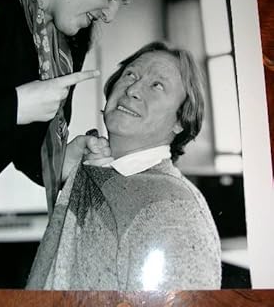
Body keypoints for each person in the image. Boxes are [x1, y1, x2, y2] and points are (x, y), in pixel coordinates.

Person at [0, 0, 154, 213]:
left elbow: (24, 153)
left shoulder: (68, 45)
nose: (110, 16)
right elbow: (7, 116)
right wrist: (16, 107)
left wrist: (64, 160)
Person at [26, 42, 222, 291]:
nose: (133, 89)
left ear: (180, 121)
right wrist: (61, 172)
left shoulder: (175, 210)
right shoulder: (94, 167)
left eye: (157, 85)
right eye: (130, 74)